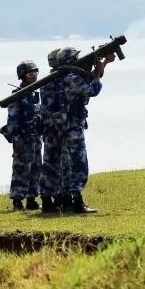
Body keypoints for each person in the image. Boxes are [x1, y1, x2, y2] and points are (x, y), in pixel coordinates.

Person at [56, 46, 114, 213]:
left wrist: (102, 64)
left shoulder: (67, 76)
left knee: (69, 164)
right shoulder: (71, 77)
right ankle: (77, 202)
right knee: (78, 164)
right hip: (72, 125)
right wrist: (98, 69)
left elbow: (91, 79)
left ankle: (67, 201)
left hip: (68, 125)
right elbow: (93, 89)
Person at [5, 60, 42, 211]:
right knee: (21, 169)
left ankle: (32, 199)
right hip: (23, 138)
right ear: (22, 76)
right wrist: (16, 139)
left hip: (36, 137)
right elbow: (12, 119)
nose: (33, 75)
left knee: (36, 169)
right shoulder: (17, 95)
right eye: (29, 73)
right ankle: (17, 201)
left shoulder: (35, 94)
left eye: (35, 72)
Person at [37, 48, 67, 214]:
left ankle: (60, 198)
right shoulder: (50, 82)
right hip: (53, 130)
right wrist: (60, 131)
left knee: (62, 165)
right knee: (50, 165)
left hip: (57, 129)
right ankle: (47, 200)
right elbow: (52, 110)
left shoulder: (61, 79)